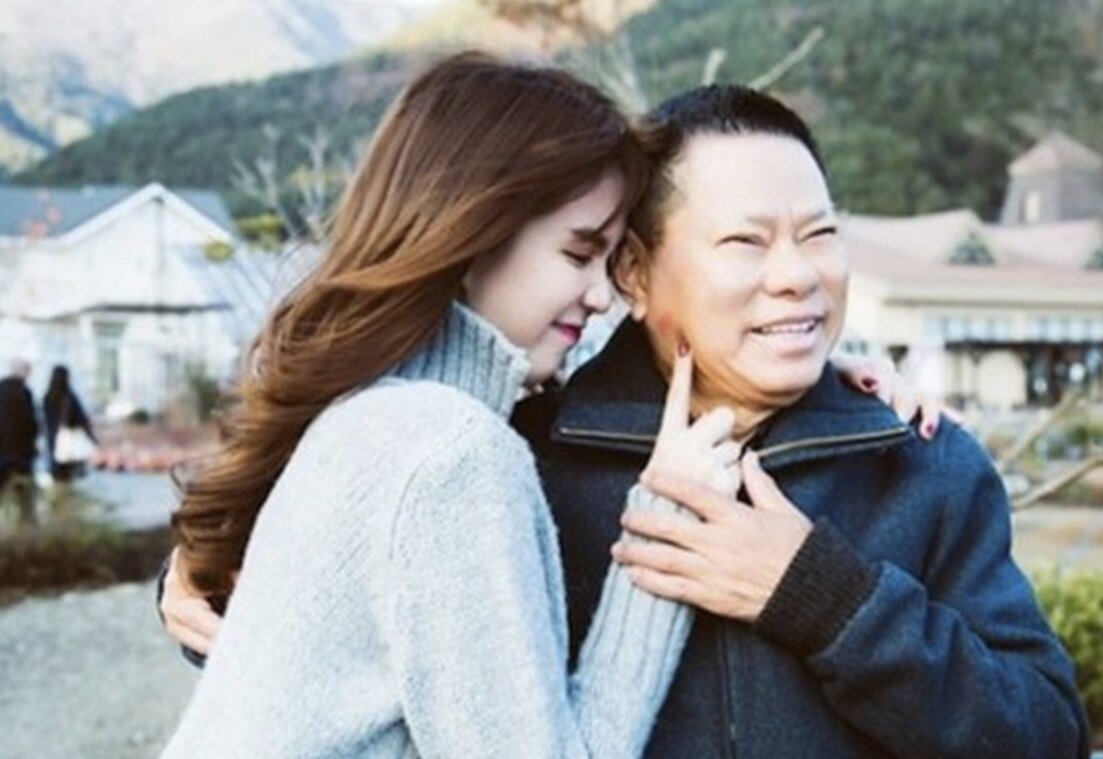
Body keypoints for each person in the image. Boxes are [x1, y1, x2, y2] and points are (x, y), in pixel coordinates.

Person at [159, 52, 757, 758]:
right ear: (474, 236)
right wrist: (666, 522)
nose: (601, 295)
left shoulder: (368, 418)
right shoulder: (450, 453)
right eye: (578, 254)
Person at [534, 85, 1088, 757]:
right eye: (745, 241)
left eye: (819, 234)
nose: (797, 276)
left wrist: (827, 601)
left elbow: (1048, 737)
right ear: (633, 271)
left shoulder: (922, 460)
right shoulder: (537, 462)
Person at [42, 364, 97, 483]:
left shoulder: (47, 397)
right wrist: (92, 438)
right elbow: (82, 420)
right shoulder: (69, 397)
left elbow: (46, 421)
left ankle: (57, 487)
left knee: (57, 470)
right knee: (68, 472)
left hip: (53, 440)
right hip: (69, 441)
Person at [0, 359, 38, 522]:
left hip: (1, 451)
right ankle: (27, 526)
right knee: (25, 495)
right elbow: (29, 423)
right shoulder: (24, 392)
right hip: (21, 453)